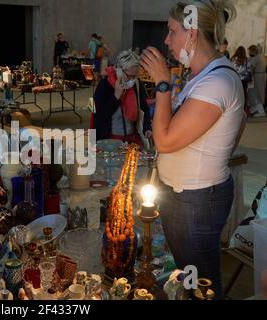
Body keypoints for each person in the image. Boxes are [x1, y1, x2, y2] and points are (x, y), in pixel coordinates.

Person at [141, 0, 245, 299]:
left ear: (192, 34)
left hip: (198, 201)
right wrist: (210, 145)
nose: (166, 40)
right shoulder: (204, 76)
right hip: (188, 196)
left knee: (203, 285)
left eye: (172, 31)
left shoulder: (218, 81)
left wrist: (162, 83)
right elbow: (239, 120)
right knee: (190, 274)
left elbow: (165, 141)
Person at [92, 49, 152, 148]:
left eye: (135, 76)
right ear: (119, 70)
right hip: (110, 140)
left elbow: (144, 108)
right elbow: (99, 118)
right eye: (129, 76)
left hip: (132, 139)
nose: (131, 80)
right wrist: (116, 96)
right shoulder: (104, 85)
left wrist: (147, 128)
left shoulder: (136, 84)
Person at [247, 44, 266, 117]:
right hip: (261, 76)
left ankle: (259, 109)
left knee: (256, 93)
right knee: (260, 92)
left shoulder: (257, 58)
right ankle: (255, 108)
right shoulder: (262, 57)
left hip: (257, 76)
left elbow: (250, 66)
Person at [230, 46, 251, 110]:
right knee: (244, 94)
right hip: (244, 80)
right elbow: (249, 70)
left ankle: (235, 108)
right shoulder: (246, 60)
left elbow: (231, 69)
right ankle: (243, 108)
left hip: (235, 79)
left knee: (235, 94)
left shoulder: (233, 59)